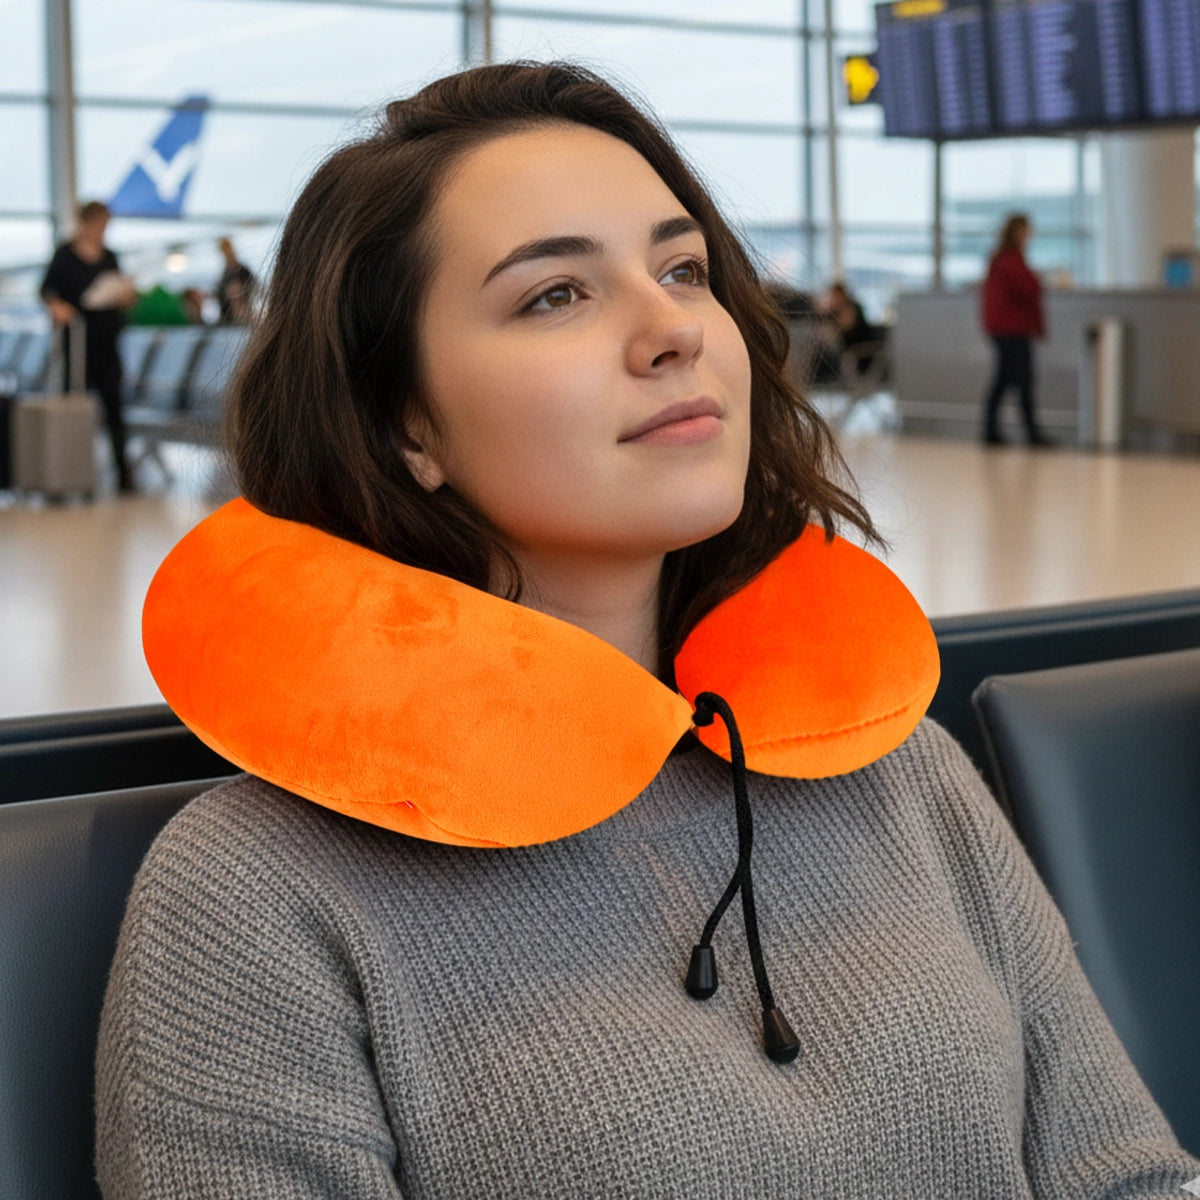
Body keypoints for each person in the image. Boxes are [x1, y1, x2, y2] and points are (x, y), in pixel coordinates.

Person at [96, 63, 1200, 1198]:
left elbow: (1124, 1178)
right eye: (555, 295)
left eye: (683, 268)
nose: (672, 325)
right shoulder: (253, 895)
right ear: (406, 425)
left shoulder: (890, 764)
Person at [40, 200, 137, 492]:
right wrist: (57, 307)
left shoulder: (109, 257)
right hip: (78, 342)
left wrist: (123, 296)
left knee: (113, 405)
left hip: (107, 340)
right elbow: (46, 290)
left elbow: (121, 292)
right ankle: (73, 472)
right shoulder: (65, 255)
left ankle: (123, 472)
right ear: (85, 223)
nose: (101, 231)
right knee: (75, 405)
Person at [981, 212, 1050, 446]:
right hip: (1011, 329)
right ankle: (1030, 433)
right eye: (1027, 230)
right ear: (1017, 232)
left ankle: (993, 431)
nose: (1030, 234)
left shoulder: (1003, 259)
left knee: (1006, 379)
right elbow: (1029, 289)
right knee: (1021, 380)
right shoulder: (1010, 261)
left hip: (1006, 329)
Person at [214, 235, 257, 324]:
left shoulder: (242, 271)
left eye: (226, 250)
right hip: (228, 318)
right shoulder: (225, 272)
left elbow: (239, 297)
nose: (225, 253)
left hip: (239, 319)